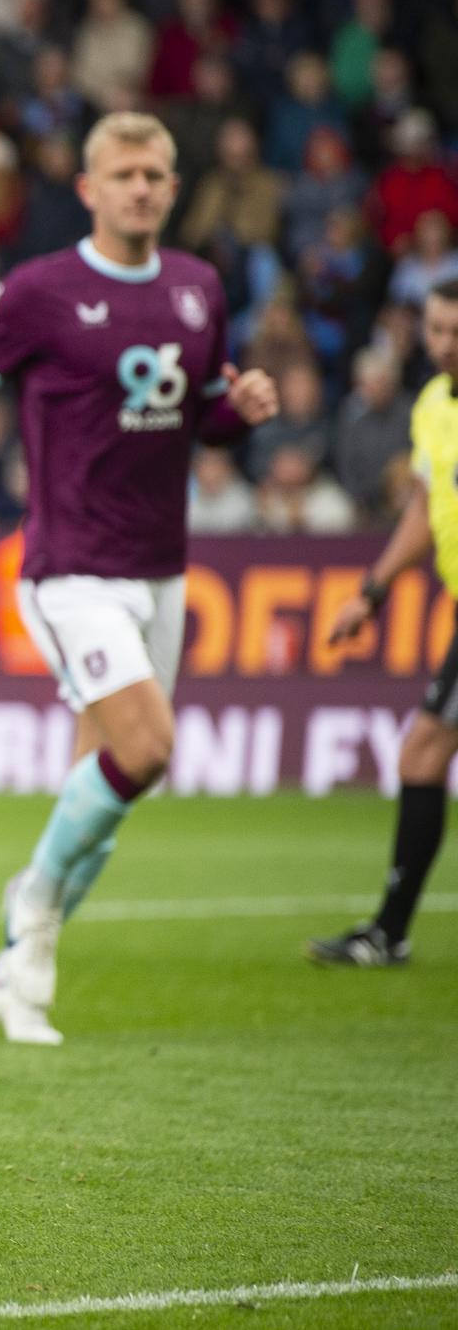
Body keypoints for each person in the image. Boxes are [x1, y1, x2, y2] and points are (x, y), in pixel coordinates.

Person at [0, 112, 279, 1045]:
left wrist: (242, 411)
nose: (142, 188)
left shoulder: (198, 289)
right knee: (146, 747)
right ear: (90, 188)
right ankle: (30, 908)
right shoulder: (40, 290)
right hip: (70, 568)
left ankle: (18, 972)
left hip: (160, 570)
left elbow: (199, 421)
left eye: (156, 173)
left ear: (174, 186)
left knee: (105, 792)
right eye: (125, 173)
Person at [311, 281, 458, 966]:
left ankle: (389, 932)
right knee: (423, 752)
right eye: (436, 330)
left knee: (423, 749)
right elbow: (424, 512)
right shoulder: (433, 406)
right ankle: (389, 933)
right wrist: (370, 592)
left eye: (456, 330)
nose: (446, 344)